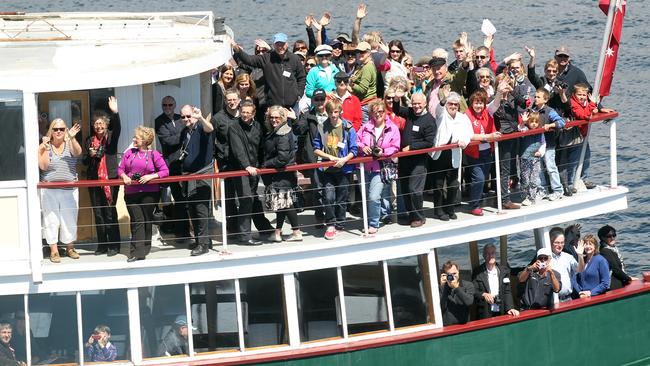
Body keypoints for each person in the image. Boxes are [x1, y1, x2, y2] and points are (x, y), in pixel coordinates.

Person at [225, 100, 274, 245]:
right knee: (246, 199)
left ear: (253, 114)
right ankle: (244, 236)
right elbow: (237, 149)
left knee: (253, 198)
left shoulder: (258, 126)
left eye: (248, 112)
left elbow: (261, 147)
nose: (244, 115)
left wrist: (262, 165)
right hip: (240, 169)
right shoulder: (233, 127)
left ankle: (263, 228)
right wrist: (246, 165)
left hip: (255, 169)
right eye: (243, 112)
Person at [118, 127, 169, 262]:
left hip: (150, 192)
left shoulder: (154, 155)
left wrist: (151, 176)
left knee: (146, 220)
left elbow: (165, 171)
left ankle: (145, 247)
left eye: (137, 137)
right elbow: (120, 168)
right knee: (137, 220)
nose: (134, 139)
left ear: (145, 141)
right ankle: (136, 252)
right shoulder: (129, 153)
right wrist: (124, 177)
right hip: (131, 192)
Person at [38, 119, 82, 263]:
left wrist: (72, 137)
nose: (58, 132)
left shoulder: (70, 144)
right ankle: (54, 250)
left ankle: (70, 248)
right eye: (56, 129)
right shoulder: (45, 146)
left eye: (62, 129)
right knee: (51, 220)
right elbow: (43, 167)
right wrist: (44, 149)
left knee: (69, 220)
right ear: (51, 131)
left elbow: (78, 153)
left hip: (69, 189)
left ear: (65, 131)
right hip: (49, 190)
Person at [313, 99, 358, 239]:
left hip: (344, 169)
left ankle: (340, 223)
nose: (333, 115)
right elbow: (316, 148)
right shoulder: (322, 127)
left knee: (342, 198)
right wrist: (329, 158)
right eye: (331, 112)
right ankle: (331, 223)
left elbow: (354, 149)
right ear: (327, 112)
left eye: (336, 112)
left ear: (340, 112)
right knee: (329, 196)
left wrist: (344, 160)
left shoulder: (348, 127)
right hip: (328, 169)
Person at [83, 96, 122, 256]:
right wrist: (90, 155)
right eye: (96, 124)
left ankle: (114, 245)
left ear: (106, 125)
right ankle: (102, 245)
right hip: (94, 180)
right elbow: (85, 162)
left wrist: (115, 112)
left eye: (101, 123)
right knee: (98, 213)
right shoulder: (89, 140)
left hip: (110, 179)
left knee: (109, 211)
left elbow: (118, 127)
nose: (98, 126)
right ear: (93, 125)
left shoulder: (111, 137)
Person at [356, 99, 400, 234]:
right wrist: (364, 147)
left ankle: (373, 223)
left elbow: (396, 146)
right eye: (375, 112)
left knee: (374, 196)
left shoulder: (392, 128)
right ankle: (370, 219)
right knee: (366, 196)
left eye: (381, 111)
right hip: (363, 168)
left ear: (385, 112)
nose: (378, 114)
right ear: (371, 113)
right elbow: (356, 141)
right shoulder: (365, 127)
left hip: (380, 168)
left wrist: (383, 152)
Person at [391, 92, 435, 227]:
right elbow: (397, 110)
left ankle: (419, 217)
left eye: (419, 103)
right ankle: (411, 215)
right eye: (414, 103)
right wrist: (397, 98)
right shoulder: (410, 113)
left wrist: (411, 147)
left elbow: (429, 142)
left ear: (425, 103)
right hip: (405, 160)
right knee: (404, 188)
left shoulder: (429, 120)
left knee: (414, 190)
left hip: (419, 161)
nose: (416, 106)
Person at [232, 33, 306, 110]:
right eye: (277, 44)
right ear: (274, 45)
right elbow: (249, 59)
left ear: (287, 44)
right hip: (273, 105)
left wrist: (298, 94)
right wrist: (237, 49)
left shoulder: (295, 59)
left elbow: (301, 78)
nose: (280, 47)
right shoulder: (267, 58)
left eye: (282, 44)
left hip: (293, 104)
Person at [261, 106, 303, 242]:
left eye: (277, 117)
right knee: (282, 204)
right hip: (281, 175)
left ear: (283, 118)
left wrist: (265, 164)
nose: (274, 120)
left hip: (283, 175)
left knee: (286, 204)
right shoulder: (276, 131)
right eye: (271, 117)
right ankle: (277, 232)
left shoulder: (283, 133)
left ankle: (296, 232)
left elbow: (282, 158)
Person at [178, 104, 215, 256]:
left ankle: (203, 244)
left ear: (194, 115)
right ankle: (202, 239)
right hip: (188, 176)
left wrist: (201, 118)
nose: (186, 119)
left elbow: (210, 129)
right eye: (183, 117)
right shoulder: (185, 131)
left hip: (202, 175)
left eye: (189, 116)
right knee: (192, 210)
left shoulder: (200, 127)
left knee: (201, 210)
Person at [431, 90, 472, 220]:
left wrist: (463, 141)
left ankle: (449, 208)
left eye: (455, 104)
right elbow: (438, 108)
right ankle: (438, 210)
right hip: (440, 153)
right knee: (438, 184)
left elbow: (468, 133)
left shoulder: (462, 117)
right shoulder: (442, 114)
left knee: (453, 184)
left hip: (454, 153)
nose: (453, 106)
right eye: (451, 104)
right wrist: (445, 98)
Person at [156, 97, 192, 244]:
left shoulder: (180, 117)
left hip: (188, 165)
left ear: (175, 105)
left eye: (170, 104)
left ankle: (189, 230)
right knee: (178, 199)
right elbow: (168, 141)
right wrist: (184, 134)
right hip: (172, 165)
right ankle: (181, 233)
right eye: (164, 105)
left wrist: (183, 135)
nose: (167, 107)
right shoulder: (159, 121)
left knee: (189, 199)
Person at [294, 89, 329, 225]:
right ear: (313, 101)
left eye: (322, 99)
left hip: (331, 156)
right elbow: (298, 130)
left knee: (330, 187)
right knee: (317, 188)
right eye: (317, 99)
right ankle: (319, 214)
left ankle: (332, 216)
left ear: (326, 99)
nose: (320, 102)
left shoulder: (332, 113)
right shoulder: (307, 116)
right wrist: (296, 118)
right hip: (315, 157)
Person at [464, 90, 500, 216]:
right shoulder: (466, 115)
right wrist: (488, 136)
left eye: (481, 103)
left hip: (487, 151)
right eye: (476, 103)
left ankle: (477, 201)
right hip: (474, 154)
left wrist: (499, 91)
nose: (478, 106)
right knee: (478, 179)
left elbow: (496, 104)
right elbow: (469, 135)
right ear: (471, 103)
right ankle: (474, 205)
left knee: (483, 178)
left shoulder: (487, 112)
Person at [532, 88, 566, 201]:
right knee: (538, 169)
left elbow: (561, 122)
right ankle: (542, 190)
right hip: (537, 144)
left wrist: (550, 126)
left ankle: (558, 190)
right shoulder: (533, 110)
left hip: (549, 144)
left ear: (545, 100)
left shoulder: (549, 111)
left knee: (551, 167)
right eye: (535, 96)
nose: (535, 98)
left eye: (538, 97)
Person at [472, 244, 520, 319]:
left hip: (502, 308)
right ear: (483, 255)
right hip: (485, 311)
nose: (490, 255)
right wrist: (484, 294)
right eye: (488, 253)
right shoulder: (477, 272)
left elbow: (507, 291)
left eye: (492, 253)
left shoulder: (504, 271)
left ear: (496, 254)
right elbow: (473, 291)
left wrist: (510, 308)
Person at [548, 226, 584, 301]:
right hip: (553, 300)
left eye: (562, 243)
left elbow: (580, 270)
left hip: (568, 298)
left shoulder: (568, 257)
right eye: (557, 243)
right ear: (551, 243)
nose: (560, 245)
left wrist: (580, 256)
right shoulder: (546, 257)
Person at [518, 111, 546, 206]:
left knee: (534, 179)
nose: (534, 124)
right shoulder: (525, 129)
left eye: (536, 122)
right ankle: (524, 196)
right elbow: (520, 129)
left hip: (535, 159)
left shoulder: (540, 132)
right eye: (532, 121)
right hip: (525, 158)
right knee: (525, 178)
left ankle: (532, 197)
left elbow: (543, 143)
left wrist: (541, 152)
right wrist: (524, 122)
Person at [598, 225, 635, 289]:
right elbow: (616, 269)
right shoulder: (605, 251)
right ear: (602, 238)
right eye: (609, 236)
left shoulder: (612, 249)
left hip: (619, 281)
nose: (612, 238)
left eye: (614, 235)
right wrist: (629, 278)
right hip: (614, 285)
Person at [348, 41, 377, 124]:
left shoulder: (367, 67)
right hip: (367, 103)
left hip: (366, 104)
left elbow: (362, 89)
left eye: (362, 52)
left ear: (368, 53)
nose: (359, 54)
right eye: (357, 52)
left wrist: (351, 84)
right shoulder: (365, 65)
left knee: (365, 130)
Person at [439, 261, 474, 325]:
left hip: (464, 324)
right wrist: (442, 287)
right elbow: (440, 308)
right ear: (445, 275)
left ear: (458, 271)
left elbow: (469, 302)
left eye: (454, 273)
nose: (452, 277)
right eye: (449, 274)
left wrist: (457, 288)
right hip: (447, 326)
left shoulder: (468, 285)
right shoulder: (441, 288)